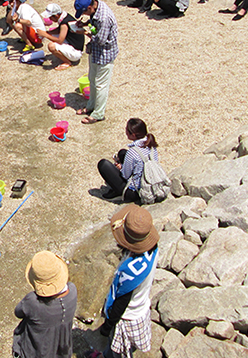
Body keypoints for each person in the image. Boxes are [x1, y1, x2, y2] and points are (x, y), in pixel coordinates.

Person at [96, 204, 158, 358]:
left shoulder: (131, 271)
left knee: (120, 351)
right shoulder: (153, 249)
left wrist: (108, 325)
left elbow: (121, 303)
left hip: (127, 317)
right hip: (141, 307)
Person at [13, 251, 77, 358]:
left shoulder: (33, 302)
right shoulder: (73, 291)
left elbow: (18, 312)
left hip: (36, 352)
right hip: (63, 350)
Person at [74, 0, 118, 124]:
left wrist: (84, 33)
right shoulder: (96, 7)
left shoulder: (104, 18)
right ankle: (91, 106)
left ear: (89, 7)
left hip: (105, 53)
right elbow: (93, 20)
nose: (84, 14)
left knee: (101, 85)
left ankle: (99, 113)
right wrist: (85, 23)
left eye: (84, 12)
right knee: (92, 79)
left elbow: (100, 40)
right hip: (95, 51)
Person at [97, 118, 160, 203]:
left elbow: (125, 175)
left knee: (103, 164)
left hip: (134, 192)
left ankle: (118, 192)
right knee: (122, 153)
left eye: (127, 129)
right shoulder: (151, 145)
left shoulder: (133, 152)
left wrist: (120, 167)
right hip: (150, 181)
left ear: (133, 135)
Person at [40, 4, 85, 71]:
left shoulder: (64, 23)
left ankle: (67, 62)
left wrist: (45, 35)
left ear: (56, 15)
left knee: (51, 46)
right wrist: (47, 32)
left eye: (50, 17)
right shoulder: (65, 17)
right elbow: (59, 30)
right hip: (73, 44)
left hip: (76, 52)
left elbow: (60, 40)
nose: (49, 19)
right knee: (52, 36)